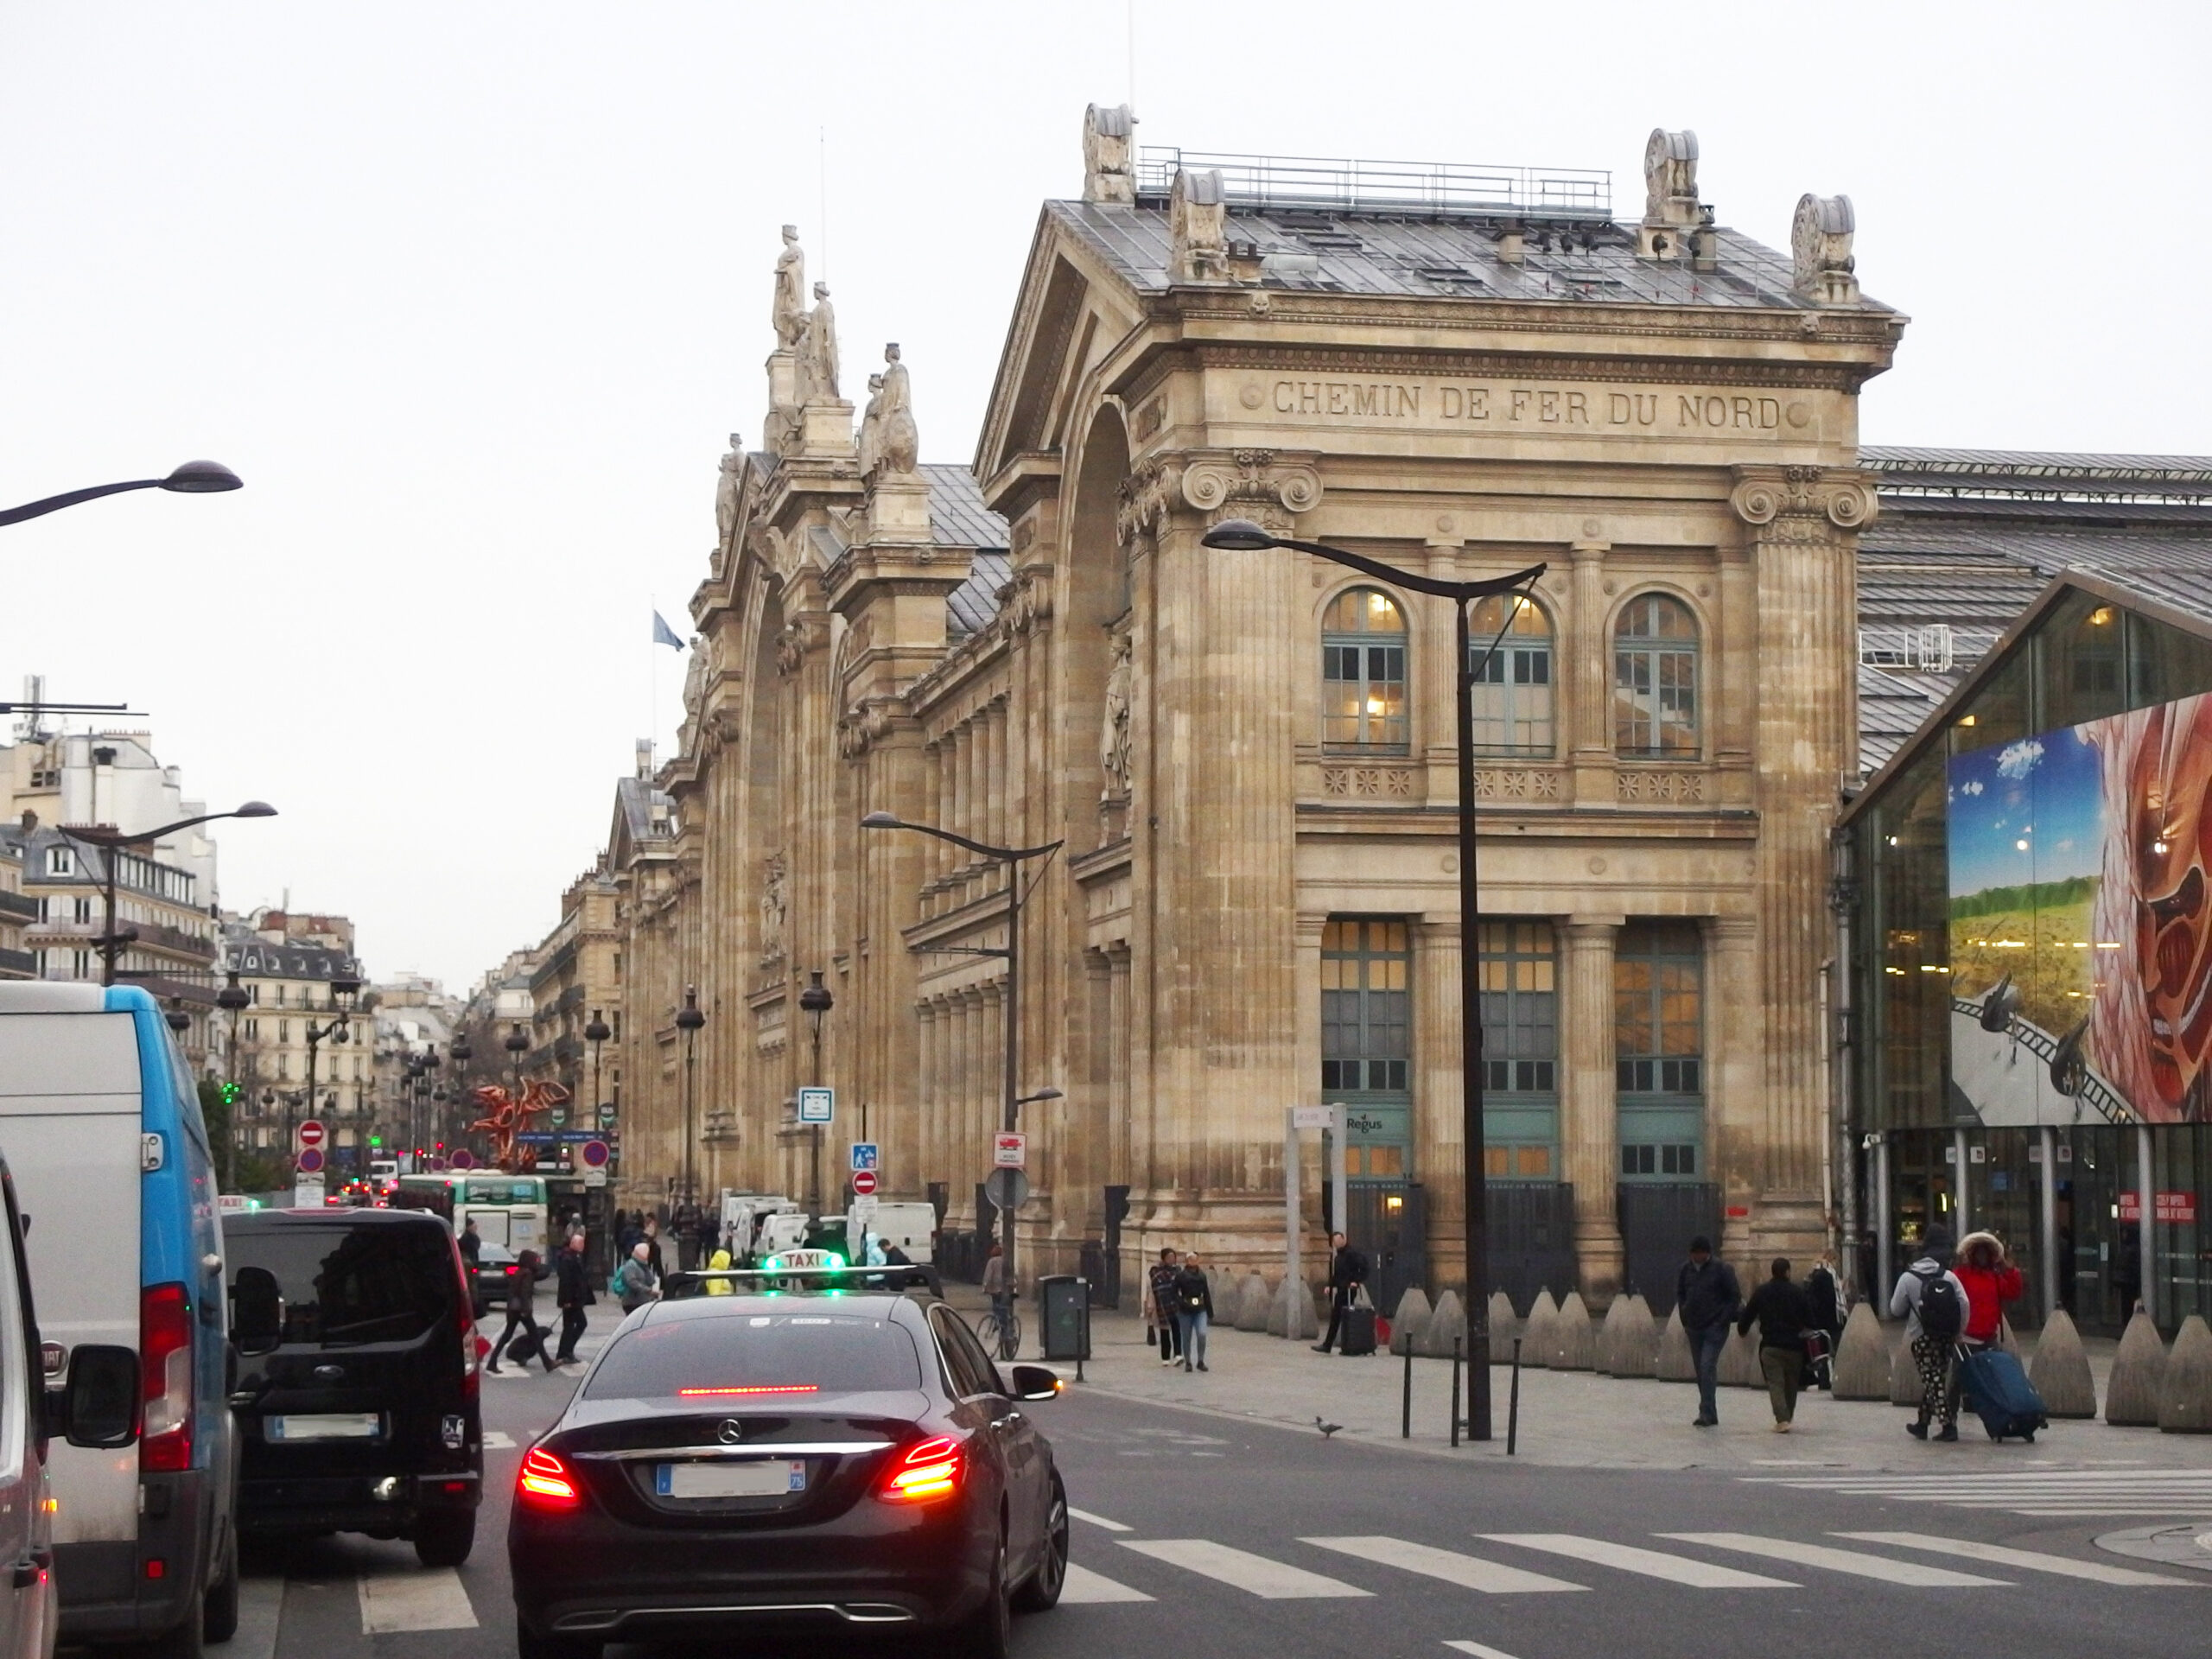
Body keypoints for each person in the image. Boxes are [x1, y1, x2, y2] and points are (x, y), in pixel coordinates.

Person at [1890, 1224, 1967, 1442]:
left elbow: (1895, 1309)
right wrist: (1959, 1330)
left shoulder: (1907, 1277)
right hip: (1946, 1335)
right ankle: (1922, 1423)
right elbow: (1964, 1303)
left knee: (1933, 1380)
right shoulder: (1949, 1276)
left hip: (1921, 1337)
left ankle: (1948, 1425)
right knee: (1935, 1378)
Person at [1737, 1257, 1813, 1433]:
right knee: (1792, 1384)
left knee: (1776, 1384)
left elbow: (1748, 1314)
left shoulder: (1762, 1292)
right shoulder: (1798, 1292)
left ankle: (1782, 1418)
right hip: (1795, 1346)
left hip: (1771, 1345)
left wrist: (1742, 1329)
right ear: (1788, 1272)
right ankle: (1787, 1416)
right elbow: (1810, 1320)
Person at [1677, 1235, 1742, 1428]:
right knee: (1701, 1370)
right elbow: (1681, 1293)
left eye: (1701, 1254)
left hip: (1714, 1327)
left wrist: (1722, 1320)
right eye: (1694, 1254)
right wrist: (1684, 1315)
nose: (1697, 1257)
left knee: (1706, 1366)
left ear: (1707, 1253)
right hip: (1694, 1327)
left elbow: (1734, 1296)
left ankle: (1705, 1412)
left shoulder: (1722, 1269)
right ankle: (1710, 1412)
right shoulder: (1686, 1269)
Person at [487, 1249, 556, 1375]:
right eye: (534, 1260)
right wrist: (526, 1310)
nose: (536, 1262)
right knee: (535, 1336)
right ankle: (548, 1363)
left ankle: (492, 1362)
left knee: (508, 1335)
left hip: (513, 1309)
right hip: (522, 1310)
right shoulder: (527, 1274)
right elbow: (524, 1293)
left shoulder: (519, 1272)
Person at [1313, 1230, 1370, 1355]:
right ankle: (1336, 1345)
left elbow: (1364, 1268)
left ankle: (1333, 1345)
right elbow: (1337, 1275)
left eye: (1339, 1240)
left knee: (1340, 1317)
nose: (1337, 1243)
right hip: (1341, 1290)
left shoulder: (1352, 1254)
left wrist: (1356, 1281)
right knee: (1339, 1318)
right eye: (1335, 1241)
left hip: (1348, 1291)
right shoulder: (1338, 1257)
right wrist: (1330, 1286)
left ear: (1344, 1240)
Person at [1802, 1249, 1844, 1389]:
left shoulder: (1817, 1274)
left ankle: (1824, 1380)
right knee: (1835, 1349)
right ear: (1833, 1259)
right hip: (1830, 1319)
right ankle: (1836, 1378)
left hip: (1820, 1319)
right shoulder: (1827, 1275)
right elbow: (1829, 1299)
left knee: (1822, 1350)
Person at [552, 1230, 594, 1365]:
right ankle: (566, 1351)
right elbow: (566, 1281)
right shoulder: (568, 1259)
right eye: (581, 1243)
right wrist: (567, 1300)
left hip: (575, 1299)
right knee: (578, 1324)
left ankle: (565, 1352)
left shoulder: (574, 1257)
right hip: (571, 1300)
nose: (583, 1246)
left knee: (570, 1326)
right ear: (574, 1244)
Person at [1171, 1251, 1213, 1373]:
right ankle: (1188, 1361)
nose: (1193, 1261)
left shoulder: (1202, 1275)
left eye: (1195, 1259)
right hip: (1185, 1309)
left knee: (1202, 1334)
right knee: (1186, 1336)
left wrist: (1210, 1311)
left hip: (1200, 1308)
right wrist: (1181, 1302)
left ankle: (1200, 1360)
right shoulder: (1180, 1276)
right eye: (1191, 1259)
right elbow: (1173, 1292)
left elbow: (1206, 1293)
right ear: (1187, 1261)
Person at [1147, 1247, 1183, 1367]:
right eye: (1169, 1257)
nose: (1171, 1259)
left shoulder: (1178, 1271)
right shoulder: (1156, 1272)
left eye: (1173, 1257)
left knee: (1177, 1329)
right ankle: (1165, 1357)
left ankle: (1178, 1355)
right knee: (1164, 1331)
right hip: (1161, 1305)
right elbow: (1153, 1289)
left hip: (1175, 1303)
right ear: (1163, 1259)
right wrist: (1150, 1307)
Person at [615, 1239, 660, 1313]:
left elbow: (651, 1281)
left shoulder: (643, 1265)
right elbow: (631, 1282)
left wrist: (647, 1269)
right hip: (632, 1302)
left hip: (643, 1301)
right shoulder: (631, 1265)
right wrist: (648, 1290)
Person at [981, 1243, 1011, 1334]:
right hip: (1004, 1287)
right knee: (1002, 1306)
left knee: (995, 1305)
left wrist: (985, 1286)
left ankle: (997, 1322)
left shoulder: (992, 1261)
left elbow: (988, 1275)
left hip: (994, 1287)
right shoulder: (1004, 1260)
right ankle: (1003, 1324)